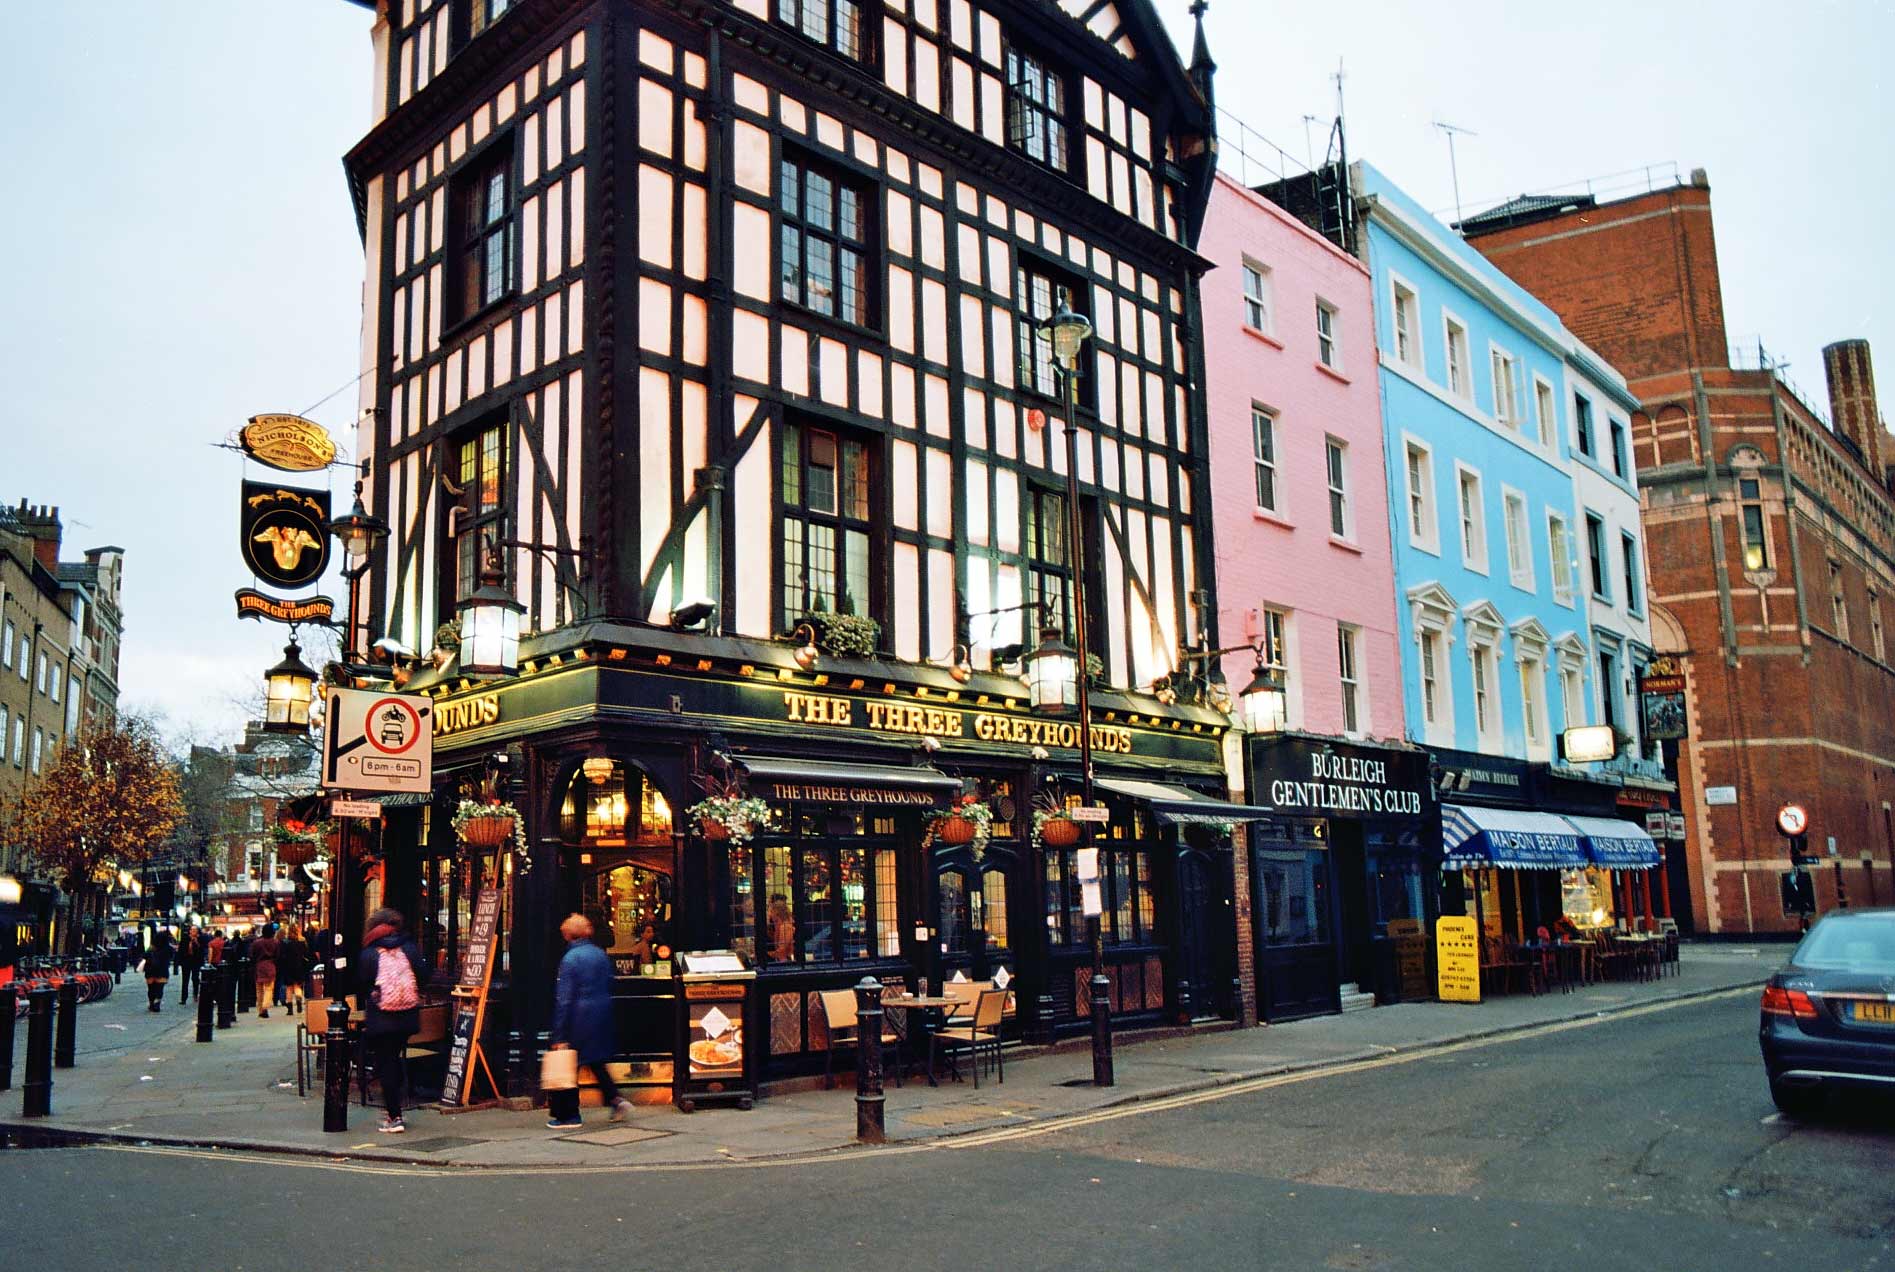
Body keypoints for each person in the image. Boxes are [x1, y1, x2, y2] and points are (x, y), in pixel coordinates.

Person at [547, 913, 630, 1128]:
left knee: (567, 1065)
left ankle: (568, 1115)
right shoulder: (599, 954)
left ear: (567, 935)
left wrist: (559, 1034)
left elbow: (564, 999)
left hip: (578, 1018)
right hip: (601, 1014)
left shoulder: (570, 959)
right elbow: (610, 982)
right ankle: (616, 1099)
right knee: (595, 1062)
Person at [358, 908, 426, 1135]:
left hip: (382, 1017)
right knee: (394, 1059)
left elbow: (362, 982)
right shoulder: (409, 947)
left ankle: (394, 1116)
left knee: (386, 1063)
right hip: (407, 1016)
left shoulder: (370, 952)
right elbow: (424, 974)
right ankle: (396, 1108)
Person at [251, 924, 281, 1019]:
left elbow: (252, 955)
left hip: (259, 966)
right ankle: (265, 1007)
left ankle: (260, 1010)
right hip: (270, 966)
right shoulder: (275, 942)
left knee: (259, 990)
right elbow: (278, 955)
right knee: (268, 988)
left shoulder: (256, 943)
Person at [278, 924, 310, 1015]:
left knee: (289, 988)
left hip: (288, 967)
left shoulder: (285, 942)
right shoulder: (302, 941)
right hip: (299, 966)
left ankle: (290, 1009)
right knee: (297, 986)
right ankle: (299, 1002)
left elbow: (281, 955)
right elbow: (306, 953)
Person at [141, 930, 174, 1012]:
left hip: (150, 970)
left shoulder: (152, 948)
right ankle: (157, 1002)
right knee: (159, 989)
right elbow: (172, 956)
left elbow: (144, 956)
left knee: (151, 988)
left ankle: (151, 1003)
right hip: (162, 970)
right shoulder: (168, 948)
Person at [767, 894, 796, 964]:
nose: (769, 914)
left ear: (776, 913)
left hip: (785, 962)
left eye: (770, 911)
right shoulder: (780, 925)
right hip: (783, 960)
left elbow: (782, 950)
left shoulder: (785, 927)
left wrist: (767, 954)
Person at [176, 928, 202, 1005]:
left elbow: (202, 950)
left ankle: (195, 994)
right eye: (192, 930)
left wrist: (196, 942)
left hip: (195, 962)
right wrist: (179, 962)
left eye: (195, 930)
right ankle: (184, 998)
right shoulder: (185, 939)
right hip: (186, 962)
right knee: (185, 980)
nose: (193, 932)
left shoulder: (199, 939)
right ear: (190, 931)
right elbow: (180, 950)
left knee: (195, 979)